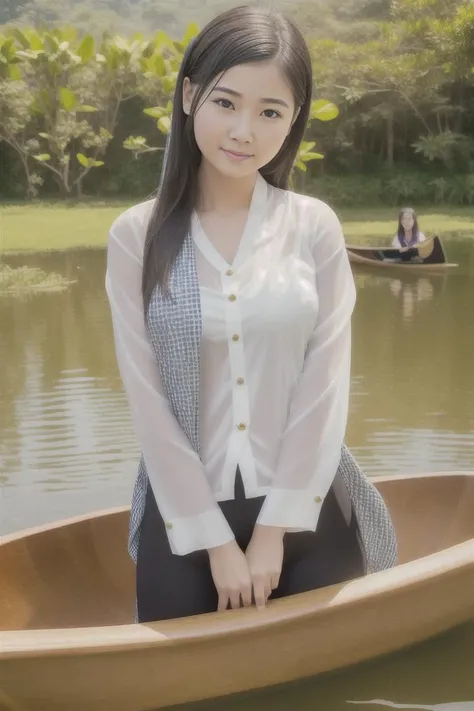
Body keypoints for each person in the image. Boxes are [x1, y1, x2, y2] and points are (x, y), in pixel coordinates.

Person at [105, 5, 396, 624]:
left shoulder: (311, 225)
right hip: (187, 516)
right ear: (189, 96)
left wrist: (272, 535)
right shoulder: (139, 236)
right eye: (226, 102)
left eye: (271, 112)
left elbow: (325, 386)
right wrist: (217, 543)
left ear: (293, 122)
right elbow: (149, 402)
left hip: (307, 508)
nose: (244, 131)